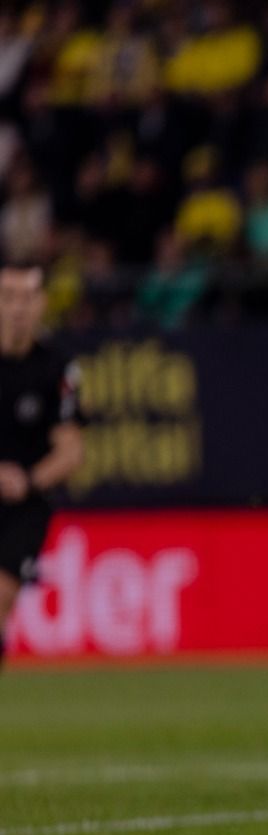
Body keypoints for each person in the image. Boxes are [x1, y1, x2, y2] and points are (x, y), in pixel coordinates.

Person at [0, 263, 86, 668]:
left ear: (42, 304)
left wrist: (25, 481)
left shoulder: (58, 369)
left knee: (1, 594)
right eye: (8, 296)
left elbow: (71, 451)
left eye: (27, 297)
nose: (18, 308)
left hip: (24, 506)